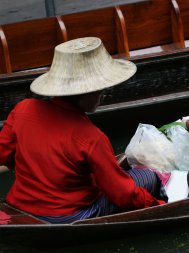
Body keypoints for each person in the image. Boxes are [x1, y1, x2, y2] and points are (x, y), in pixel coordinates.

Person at [0, 37, 167, 223]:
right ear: (83, 93)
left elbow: (4, 156)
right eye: (99, 92)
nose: (102, 97)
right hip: (68, 216)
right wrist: (158, 205)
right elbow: (123, 195)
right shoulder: (91, 137)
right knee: (148, 177)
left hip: (20, 205)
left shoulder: (23, 108)